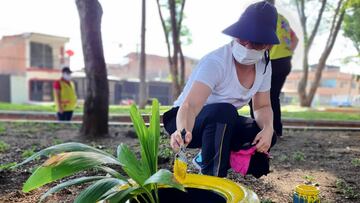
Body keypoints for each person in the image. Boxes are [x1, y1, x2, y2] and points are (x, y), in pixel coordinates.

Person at [163, 1, 278, 178]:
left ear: (268, 45)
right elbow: (190, 106)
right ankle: (213, 178)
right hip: (185, 120)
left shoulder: (264, 66)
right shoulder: (216, 62)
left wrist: (268, 129)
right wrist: (182, 130)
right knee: (225, 111)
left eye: (255, 43)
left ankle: (207, 156)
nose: (247, 46)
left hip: (221, 123)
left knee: (260, 134)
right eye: (242, 38)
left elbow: (262, 106)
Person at [250, 0, 299, 137]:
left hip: (272, 60)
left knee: (257, 95)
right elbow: (295, 40)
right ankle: (276, 130)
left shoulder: (265, 18)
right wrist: (288, 51)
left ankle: (258, 129)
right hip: (284, 62)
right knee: (273, 96)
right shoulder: (283, 19)